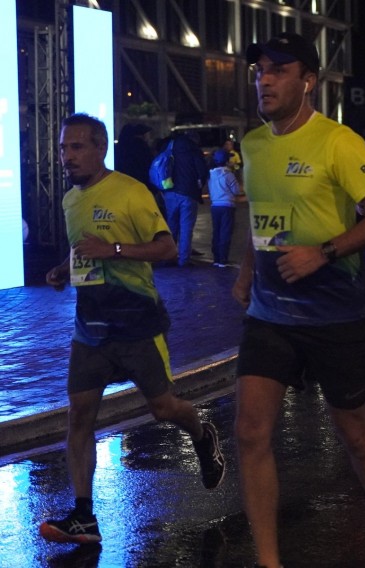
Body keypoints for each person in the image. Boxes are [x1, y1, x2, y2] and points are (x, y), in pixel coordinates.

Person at [233, 33, 365, 568]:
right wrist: (247, 272)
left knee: (355, 435)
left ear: (308, 81)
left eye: (278, 70)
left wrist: (324, 252)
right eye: (260, 70)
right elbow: (260, 217)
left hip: (334, 313)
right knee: (249, 432)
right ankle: (269, 562)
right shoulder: (253, 145)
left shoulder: (338, 142)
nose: (264, 80)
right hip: (269, 313)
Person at [39, 113, 225, 546]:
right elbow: (84, 251)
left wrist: (114, 249)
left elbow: (167, 247)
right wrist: (64, 270)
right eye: (64, 148)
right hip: (90, 329)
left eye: (77, 147)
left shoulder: (130, 191)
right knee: (79, 416)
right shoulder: (70, 200)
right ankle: (84, 516)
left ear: (100, 148)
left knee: (163, 408)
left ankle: (202, 434)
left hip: (137, 324)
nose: (67, 156)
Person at [162, 131, 209, 266]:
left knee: (171, 226)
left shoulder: (170, 146)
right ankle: (183, 260)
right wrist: (199, 185)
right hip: (188, 193)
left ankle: (169, 257)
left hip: (170, 191)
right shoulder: (194, 150)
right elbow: (202, 172)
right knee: (186, 227)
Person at [115, 123, 166, 217]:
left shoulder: (120, 147)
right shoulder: (142, 147)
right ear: (143, 135)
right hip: (141, 185)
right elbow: (148, 166)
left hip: (122, 185)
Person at [208, 148, 243, 267]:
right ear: (226, 161)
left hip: (214, 206)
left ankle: (216, 258)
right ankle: (223, 259)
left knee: (216, 231)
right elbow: (236, 190)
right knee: (225, 232)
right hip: (227, 206)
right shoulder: (228, 174)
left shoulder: (211, 174)